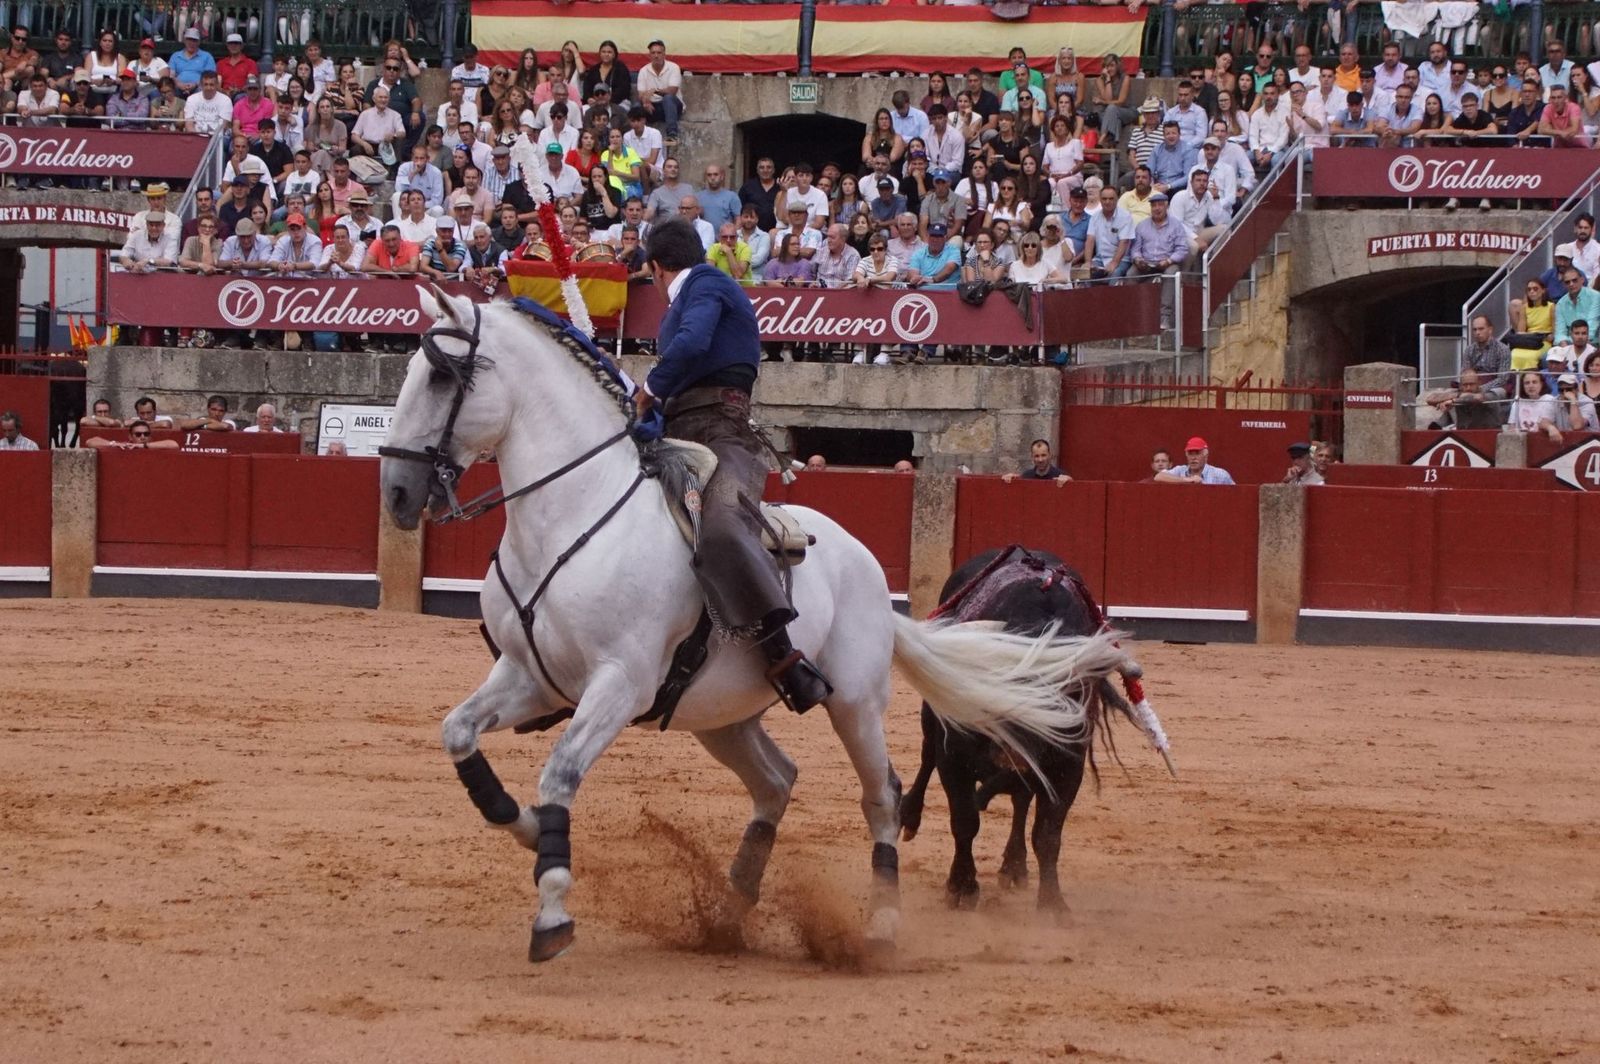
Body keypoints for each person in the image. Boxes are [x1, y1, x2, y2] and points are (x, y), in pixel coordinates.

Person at [635, 217, 830, 714]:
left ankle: (783, 655)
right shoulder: (697, 290)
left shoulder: (706, 282)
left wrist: (649, 389)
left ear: (656, 267)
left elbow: (694, 342)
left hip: (721, 431)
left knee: (722, 526)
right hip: (678, 431)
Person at [1508, 371, 1563, 443]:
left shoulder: (1549, 399)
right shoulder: (1517, 402)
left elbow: (1546, 423)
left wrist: (1550, 428)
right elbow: (1512, 428)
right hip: (1522, 442)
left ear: (1541, 384)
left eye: (1534, 382)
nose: (1531, 386)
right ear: (1523, 386)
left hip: (1545, 442)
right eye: (1527, 383)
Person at [1156, 436, 1235, 484]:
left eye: (1197, 453)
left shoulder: (1220, 474)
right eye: (1190, 454)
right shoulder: (1180, 470)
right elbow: (1159, 476)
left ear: (1205, 455)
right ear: (1186, 455)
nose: (1193, 458)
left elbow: (1235, 495)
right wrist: (1187, 480)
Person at [1001, 440, 1071, 485]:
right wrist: (1011, 479)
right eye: (1036, 456)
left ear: (1049, 455)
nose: (1040, 460)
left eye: (1043, 455)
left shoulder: (1059, 475)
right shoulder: (1027, 476)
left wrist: (1069, 481)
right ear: (1032, 457)